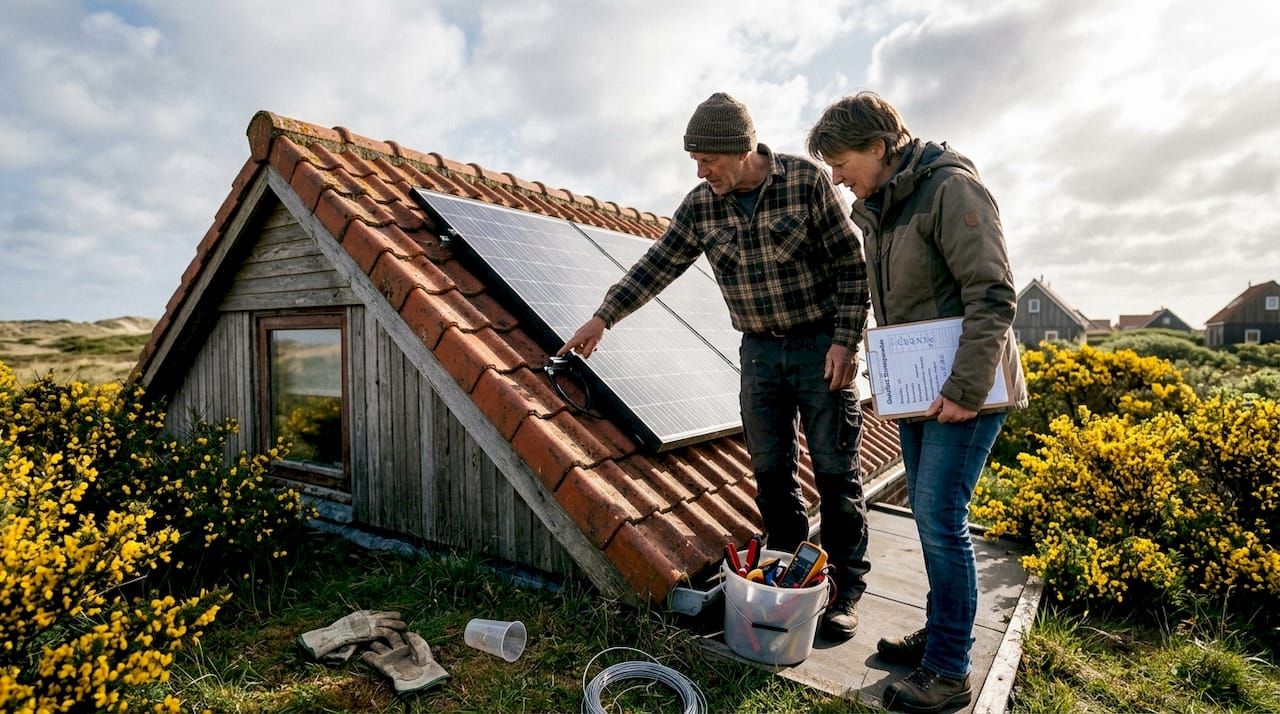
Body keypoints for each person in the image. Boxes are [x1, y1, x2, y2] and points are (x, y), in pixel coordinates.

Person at [558, 92, 873, 641]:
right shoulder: (702, 205)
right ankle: (793, 578)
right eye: (695, 162)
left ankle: (846, 588)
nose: (702, 172)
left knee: (835, 472)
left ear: (743, 149)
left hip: (820, 345)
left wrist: (845, 342)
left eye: (709, 160)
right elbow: (657, 264)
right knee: (772, 475)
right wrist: (602, 317)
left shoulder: (806, 182)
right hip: (758, 352)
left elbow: (852, 265)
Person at [806, 92, 1028, 713]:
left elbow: (992, 295)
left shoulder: (951, 190)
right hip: (921, 391)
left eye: (841, 160)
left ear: (879, 148)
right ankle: (941, 636)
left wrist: (961, 391)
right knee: (935, 524)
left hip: (967, 391)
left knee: (937, 517)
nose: (835, 175)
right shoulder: (880, 206)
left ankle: (950, 671)